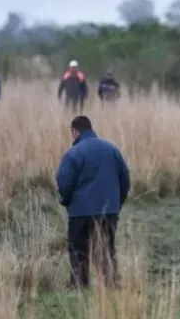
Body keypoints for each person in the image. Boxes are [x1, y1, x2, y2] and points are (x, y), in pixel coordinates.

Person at [55, 116, 131, 288]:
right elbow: (125, 180)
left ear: (75, 131)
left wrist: (66, 202)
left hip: (80, 213)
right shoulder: (112, 150)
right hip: (109, 212)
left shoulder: (73, 154)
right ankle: (111, 286)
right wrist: (116, 205)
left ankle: (79, 287)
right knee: (106, 250)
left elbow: (64, 182)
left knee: (79, 252)